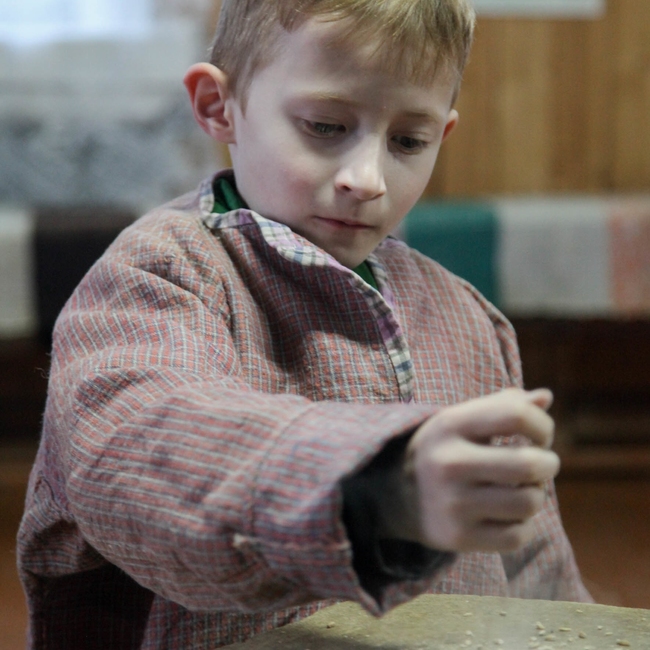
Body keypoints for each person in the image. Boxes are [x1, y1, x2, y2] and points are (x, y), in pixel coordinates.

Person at [18, 0, 591, 648]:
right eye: (325, 126)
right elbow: (143, 451)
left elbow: (534, 564)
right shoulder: (158, 275)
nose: (367, 179)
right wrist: (378, 493)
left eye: (408, 141)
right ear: (218, 106)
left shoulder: (468, 318)